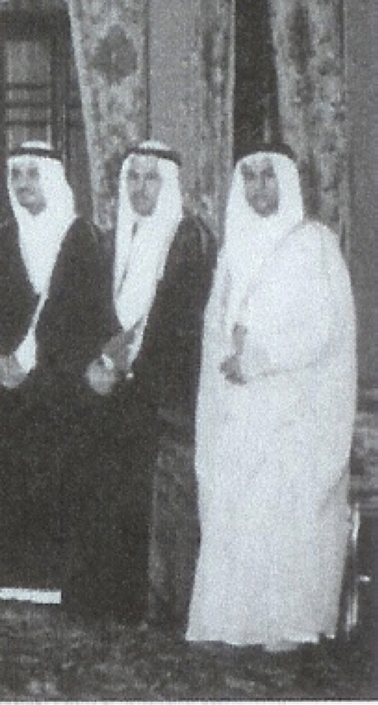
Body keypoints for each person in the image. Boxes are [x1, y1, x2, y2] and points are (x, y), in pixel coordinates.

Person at [188, 143, 356, 651]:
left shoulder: (315, 244)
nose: (260, 188)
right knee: (237, 513)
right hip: (239, 406)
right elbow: (215, 323)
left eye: (269, 177)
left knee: (283, 517)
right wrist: (229, 356)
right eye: (252, 178)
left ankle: (286, 626)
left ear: (287, 181)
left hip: (293, 408)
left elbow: (325, 329)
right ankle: (231, 624)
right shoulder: (233, 248)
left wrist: (260, 357)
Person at [60, 141, 215, 622]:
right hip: (111, 391)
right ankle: (105, 600)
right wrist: (99, 365)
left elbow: (184, 325)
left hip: (159, 396)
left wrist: (130, 369)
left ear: (168, 184)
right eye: (133, 178)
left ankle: (149, 605)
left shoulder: (189, 240)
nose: (141, 188)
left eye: (151, 178)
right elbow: (90, 313)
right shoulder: (111, 240)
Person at [0, 141, 113, 602]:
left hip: (60, 386)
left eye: (33, 174)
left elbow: (94, 316)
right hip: (8, 387)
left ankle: (56, 580)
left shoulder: (82, 238)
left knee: (58, 482)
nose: (24, 184)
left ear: (51, 178)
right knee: (9, 482)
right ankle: (11, 575)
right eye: (17, 176)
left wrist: (52, 365)